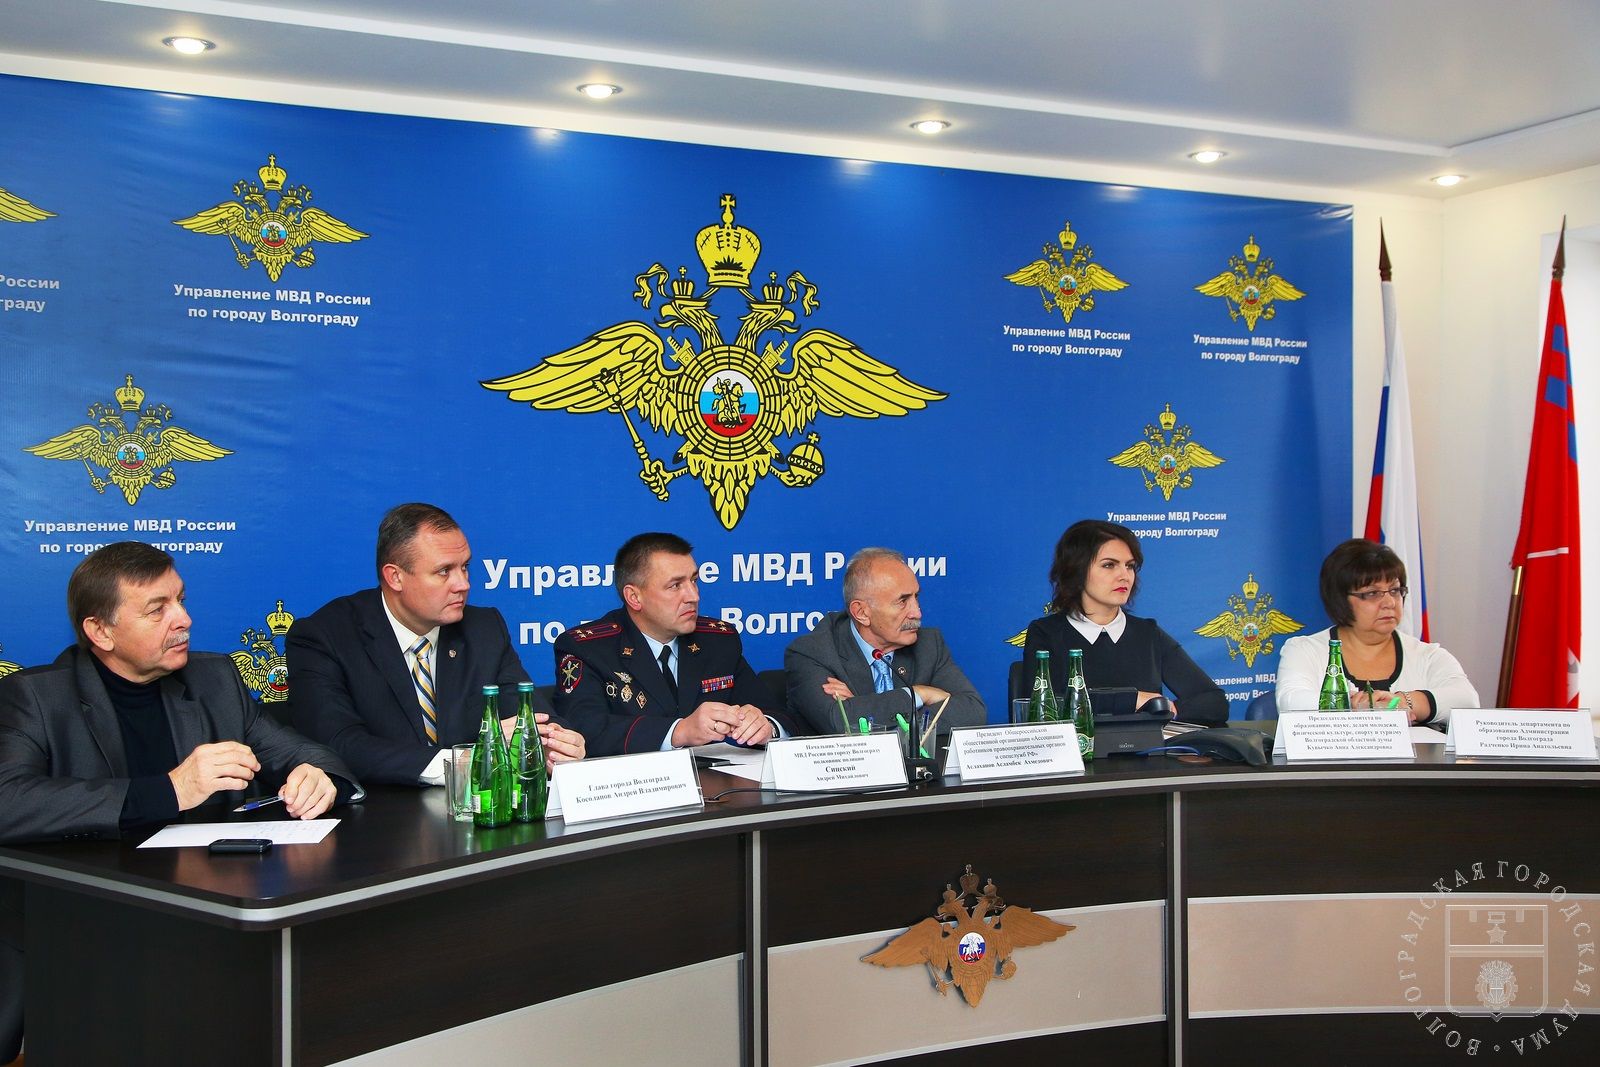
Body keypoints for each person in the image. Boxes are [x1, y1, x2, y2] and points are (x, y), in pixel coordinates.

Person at [0, 541, 361, 1062]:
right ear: (100, 631)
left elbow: (303, 752)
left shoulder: (215, 679)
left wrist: (319, 776)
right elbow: (8, 801)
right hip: (85, 927)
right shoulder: (36, 697)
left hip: (206, 915)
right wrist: (170, 790)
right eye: (157, 609)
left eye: (181, 599)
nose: (184, 619)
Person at [287, 502, 585, 786]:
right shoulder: (325, 637)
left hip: (477, 809)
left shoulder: (484, 628)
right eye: (444, 571)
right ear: (395, 577)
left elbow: (529, 713)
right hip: (380, 811)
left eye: (465, 567)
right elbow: (338, 743)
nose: (463, 584)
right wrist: (463, 761)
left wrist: (557, 743)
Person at [553, 532, 790, 755]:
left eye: (694, 581)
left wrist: (766, 726)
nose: (694, 596)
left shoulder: (718, 640)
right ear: (634, 597)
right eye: (675, 585)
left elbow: (779, 714)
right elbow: (581, 730)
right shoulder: (588, 648)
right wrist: (679, 731)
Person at [1023, 519, 1228, 726]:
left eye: (1129, 566)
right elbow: (1043, 707)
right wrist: (1132, 700)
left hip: (1146, 747)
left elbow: (1215, 702)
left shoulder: (1148, 633)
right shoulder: (1046, 633)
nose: (1124, 576)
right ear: (1076, 571)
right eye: (1109, 565)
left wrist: (1168, 709)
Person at [785, 547, 985, 737]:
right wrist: (918, 694)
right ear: (862, 613)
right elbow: (839, 722)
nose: (917, 613)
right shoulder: (814, 652)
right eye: (902, 601)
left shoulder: (928, 644)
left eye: (916, 597)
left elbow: (972, 711)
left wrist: (862, 710)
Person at [1274, 538, 1478, 723]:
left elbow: (1468, 700)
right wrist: (1355, 705)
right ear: (1339, 598)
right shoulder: (1305, 650)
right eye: (1372, 593)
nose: (1390, 602)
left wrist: (1404, 701)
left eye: (1395, 590)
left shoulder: (1427, 656)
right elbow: (1290, 701)